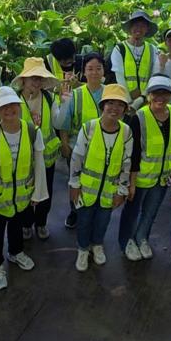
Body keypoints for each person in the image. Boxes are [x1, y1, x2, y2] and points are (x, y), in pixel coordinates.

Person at [0, 87, 49, 289]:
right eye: (3, 107)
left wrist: (38, 193)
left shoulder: (32, 131)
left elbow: (39, 164)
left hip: (22, 195)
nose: (9, 110)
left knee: (17, 226)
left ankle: (15, 252)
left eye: (13, 105)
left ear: (20, 107)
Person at [69, 84, 133, 271]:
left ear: (125, 109)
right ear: (102, 105)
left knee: (103, 221)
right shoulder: (89, 128)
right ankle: (83, 249)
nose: (114, 108)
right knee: (84, 221)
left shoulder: (126, 132)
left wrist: (122, 190)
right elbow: (76, 158)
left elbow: (126, 164)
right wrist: (74, 184)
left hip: (109, 191)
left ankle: (97, 245)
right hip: (86, 189)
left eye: (120, 105)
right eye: (110, 103)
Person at [118, 75, 171, 261]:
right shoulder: (139, 118)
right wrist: (131, 182)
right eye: (155, 93)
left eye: (164, 93)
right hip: (141, 178)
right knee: (132, 212)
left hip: (162, 177)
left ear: (170, 95)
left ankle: (142, 237)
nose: (160, 97)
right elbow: (134, 153)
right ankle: (126, 241)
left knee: (151, 212)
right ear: (149, 95)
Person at [12, 57, 61, 240]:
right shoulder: (14, 100)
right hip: (23, 157)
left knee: (45, 191)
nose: (37, 82)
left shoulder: (49, 98)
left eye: (40, 78)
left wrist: (65, 104)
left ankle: (41, 223)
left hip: (47, 156)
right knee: (24, 191)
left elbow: (57, 122)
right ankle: (26, 224)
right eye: (33, 78)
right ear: (24, 80)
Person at [56, 53, 106, 230]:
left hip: (102, 148)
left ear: (103, 71)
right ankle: (75, 212)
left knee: (97, 182)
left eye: (98, 68)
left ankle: (94, 213)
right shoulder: (75, 95)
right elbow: (65, 123)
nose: (94, 72)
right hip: (76, 147)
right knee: (75, 181)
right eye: (90, 69)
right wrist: (64, 144)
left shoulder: (109, 93)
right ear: (84, 71)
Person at [110, 10, 161, 109]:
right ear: (130, 28)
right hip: (125, 101)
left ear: (147, 29)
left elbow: (154, 75)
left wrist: (142, 98)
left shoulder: (152, 49)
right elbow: (119, 76)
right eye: (136, 25)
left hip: (147, 101)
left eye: (142, 26)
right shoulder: (120, 49)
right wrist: (128, 101)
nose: (139, 29)